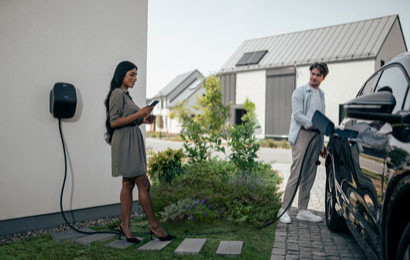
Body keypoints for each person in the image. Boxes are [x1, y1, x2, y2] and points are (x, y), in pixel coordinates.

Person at [104, 61, 174, 243]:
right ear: (122, 75)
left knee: (128, 184)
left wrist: (143, 119)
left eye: (136, 74)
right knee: (144, 183)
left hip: (130, 141)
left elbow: (127, 119)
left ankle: (125, 226)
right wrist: (139, 114)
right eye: (132, 74)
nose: (135, 78)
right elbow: (114, 122)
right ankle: (155, 227)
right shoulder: (117, 94)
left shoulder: (126, 95)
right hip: (125, 143)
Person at [279, 62, 329, 224]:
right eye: (312, 74)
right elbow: (298, 115)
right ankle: (283, 210)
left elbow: (321, 120)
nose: (314, 77)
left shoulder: (321, 94)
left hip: (315, 137)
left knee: (309, 175)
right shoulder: (300, 92)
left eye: (318, 75)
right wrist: (314, 125)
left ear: (323, 77)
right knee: (296, 173)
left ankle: (303, 210)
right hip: (302, 135)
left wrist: (322, 144)